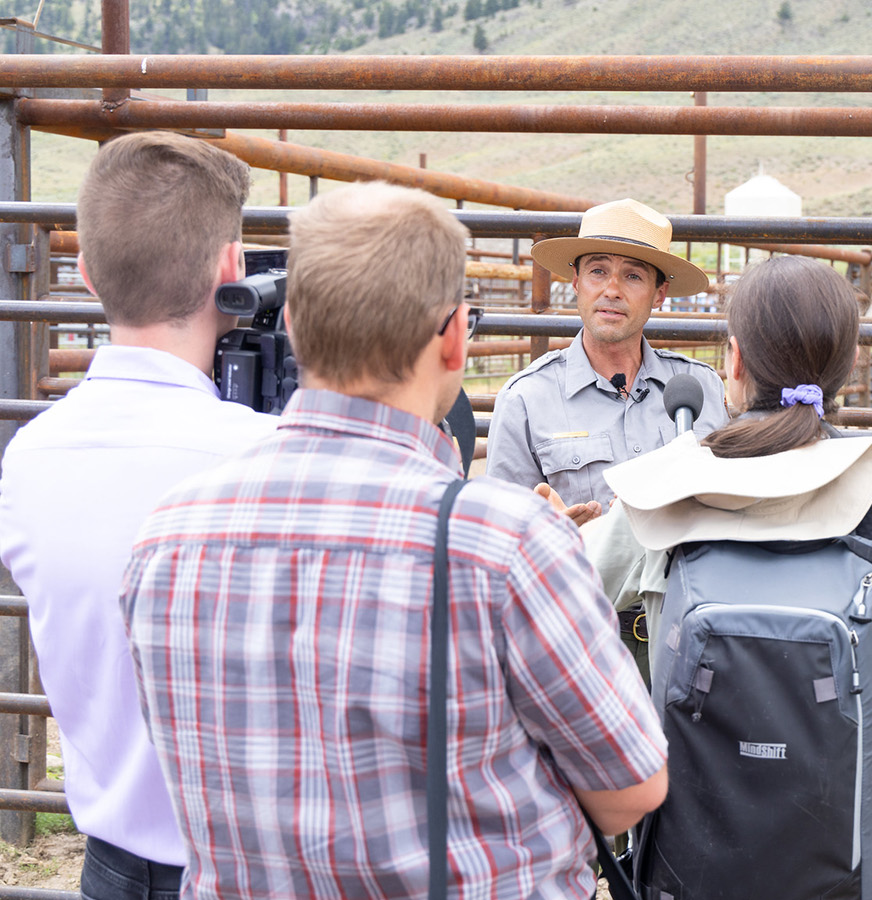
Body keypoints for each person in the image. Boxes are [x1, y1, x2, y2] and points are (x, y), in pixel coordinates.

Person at [119, 182, 667, 900]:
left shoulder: (165, 538)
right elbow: (631, 790)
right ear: (452, 339)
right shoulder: (503, 546)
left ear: (290, 323)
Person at [578, 253, 872, 820]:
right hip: (835, 856)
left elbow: (547, 608)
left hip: (688, 848)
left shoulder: (659, 495)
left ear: (733, 362)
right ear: (852, 364)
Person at [0, 132, 278, 900]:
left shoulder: (28, 459)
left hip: (113, 862)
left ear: (86, 273)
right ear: (232, 271)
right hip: (253, 860)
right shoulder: (270, 458)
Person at [486, 198, 729, 523]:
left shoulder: (703, 387)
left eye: (633, 276)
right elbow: (500, 530)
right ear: (577, 282)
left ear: (659, 294)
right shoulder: (526, 399)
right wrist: (553, 536)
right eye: (598, 271)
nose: (612, 290)